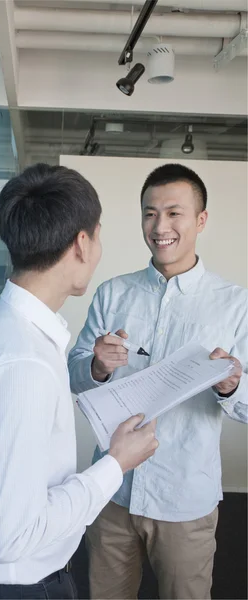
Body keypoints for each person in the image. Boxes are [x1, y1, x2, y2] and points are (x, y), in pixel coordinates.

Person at [0, 163, 159, 600]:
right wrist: (116, 464)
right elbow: (13, 537)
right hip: (21, 587)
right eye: (99, 235)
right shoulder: (20, 360)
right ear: (82, 243)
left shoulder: (25, 332)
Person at [68, 163, 247, 600]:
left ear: (201, 220)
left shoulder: (235, 304)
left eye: (173, 213)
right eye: (150, 213)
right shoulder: (113, 293)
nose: (160, 226)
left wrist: (230, 386)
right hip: (113, 491)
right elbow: (74, 373)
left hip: (185, 499)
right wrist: (96, 366)